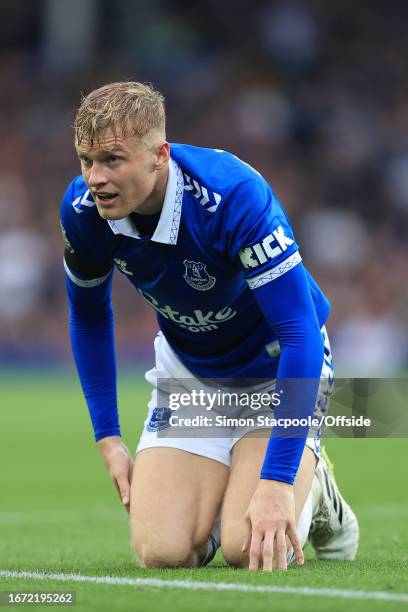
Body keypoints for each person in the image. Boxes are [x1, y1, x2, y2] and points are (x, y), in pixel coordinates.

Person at [60, 81, 359, 571]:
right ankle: (231, 485)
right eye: (86, 160)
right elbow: (89, 315)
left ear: (159, 155)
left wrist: (278, 481)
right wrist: (108, 436)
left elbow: (300, 334)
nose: (95, 177)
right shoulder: (82, 212)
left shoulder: (233, 195)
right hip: (191, 376)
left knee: (250, 550)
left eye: (113, 159)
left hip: (275, 372)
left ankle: (316, 488)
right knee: (162, 552)